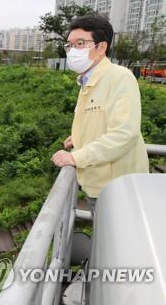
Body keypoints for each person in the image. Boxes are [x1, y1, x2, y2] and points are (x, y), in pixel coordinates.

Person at [51, 15, 149, 211]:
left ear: (101, 47)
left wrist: (76, 157)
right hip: (98, 185)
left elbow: (124, 133)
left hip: (118, 188)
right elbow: (101, 118)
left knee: (119, 240)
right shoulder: (87, 80)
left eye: (80, 43)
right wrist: (80, 136)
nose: (72, 51)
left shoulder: (120, 77)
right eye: (69, 45)